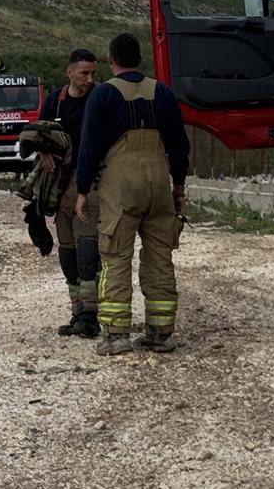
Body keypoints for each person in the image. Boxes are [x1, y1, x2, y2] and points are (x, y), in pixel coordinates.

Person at [74, 33, 190, 356]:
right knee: (159, 258)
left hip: (121, 187)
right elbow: (180, 147)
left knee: (115, 258)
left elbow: (89, 147)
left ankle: (116, 335)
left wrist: (82, 190)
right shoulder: (163, 93)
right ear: (139, 59)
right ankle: (161, 333)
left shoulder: (103, 96)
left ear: (111, 61)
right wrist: (178, 186)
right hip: (157, 183)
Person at [37, 48, 100, 338]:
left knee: (87, 245)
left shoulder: (101, 98)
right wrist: (44, 151)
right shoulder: (55, 101)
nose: (89, 79)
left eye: (93, 73)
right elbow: (38, 131)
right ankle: (77, 311)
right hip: (61, 185)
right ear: (70, 72)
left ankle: (90, 313)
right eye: (84, 73)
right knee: (68, 248)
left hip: (92, 182)